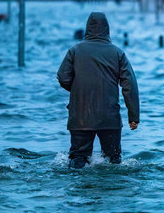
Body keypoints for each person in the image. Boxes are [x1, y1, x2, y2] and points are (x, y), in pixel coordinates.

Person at [57, 12, 140, 169]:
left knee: (78, 160)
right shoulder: (118, 53)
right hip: (110, 118)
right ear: (107, 30)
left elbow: (63, 77)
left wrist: (79, 90)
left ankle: (78, 191)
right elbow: (130, 85)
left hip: (80, 117)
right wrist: (133, 116)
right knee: (113, 160)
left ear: (87, 29)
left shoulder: (74, 51)